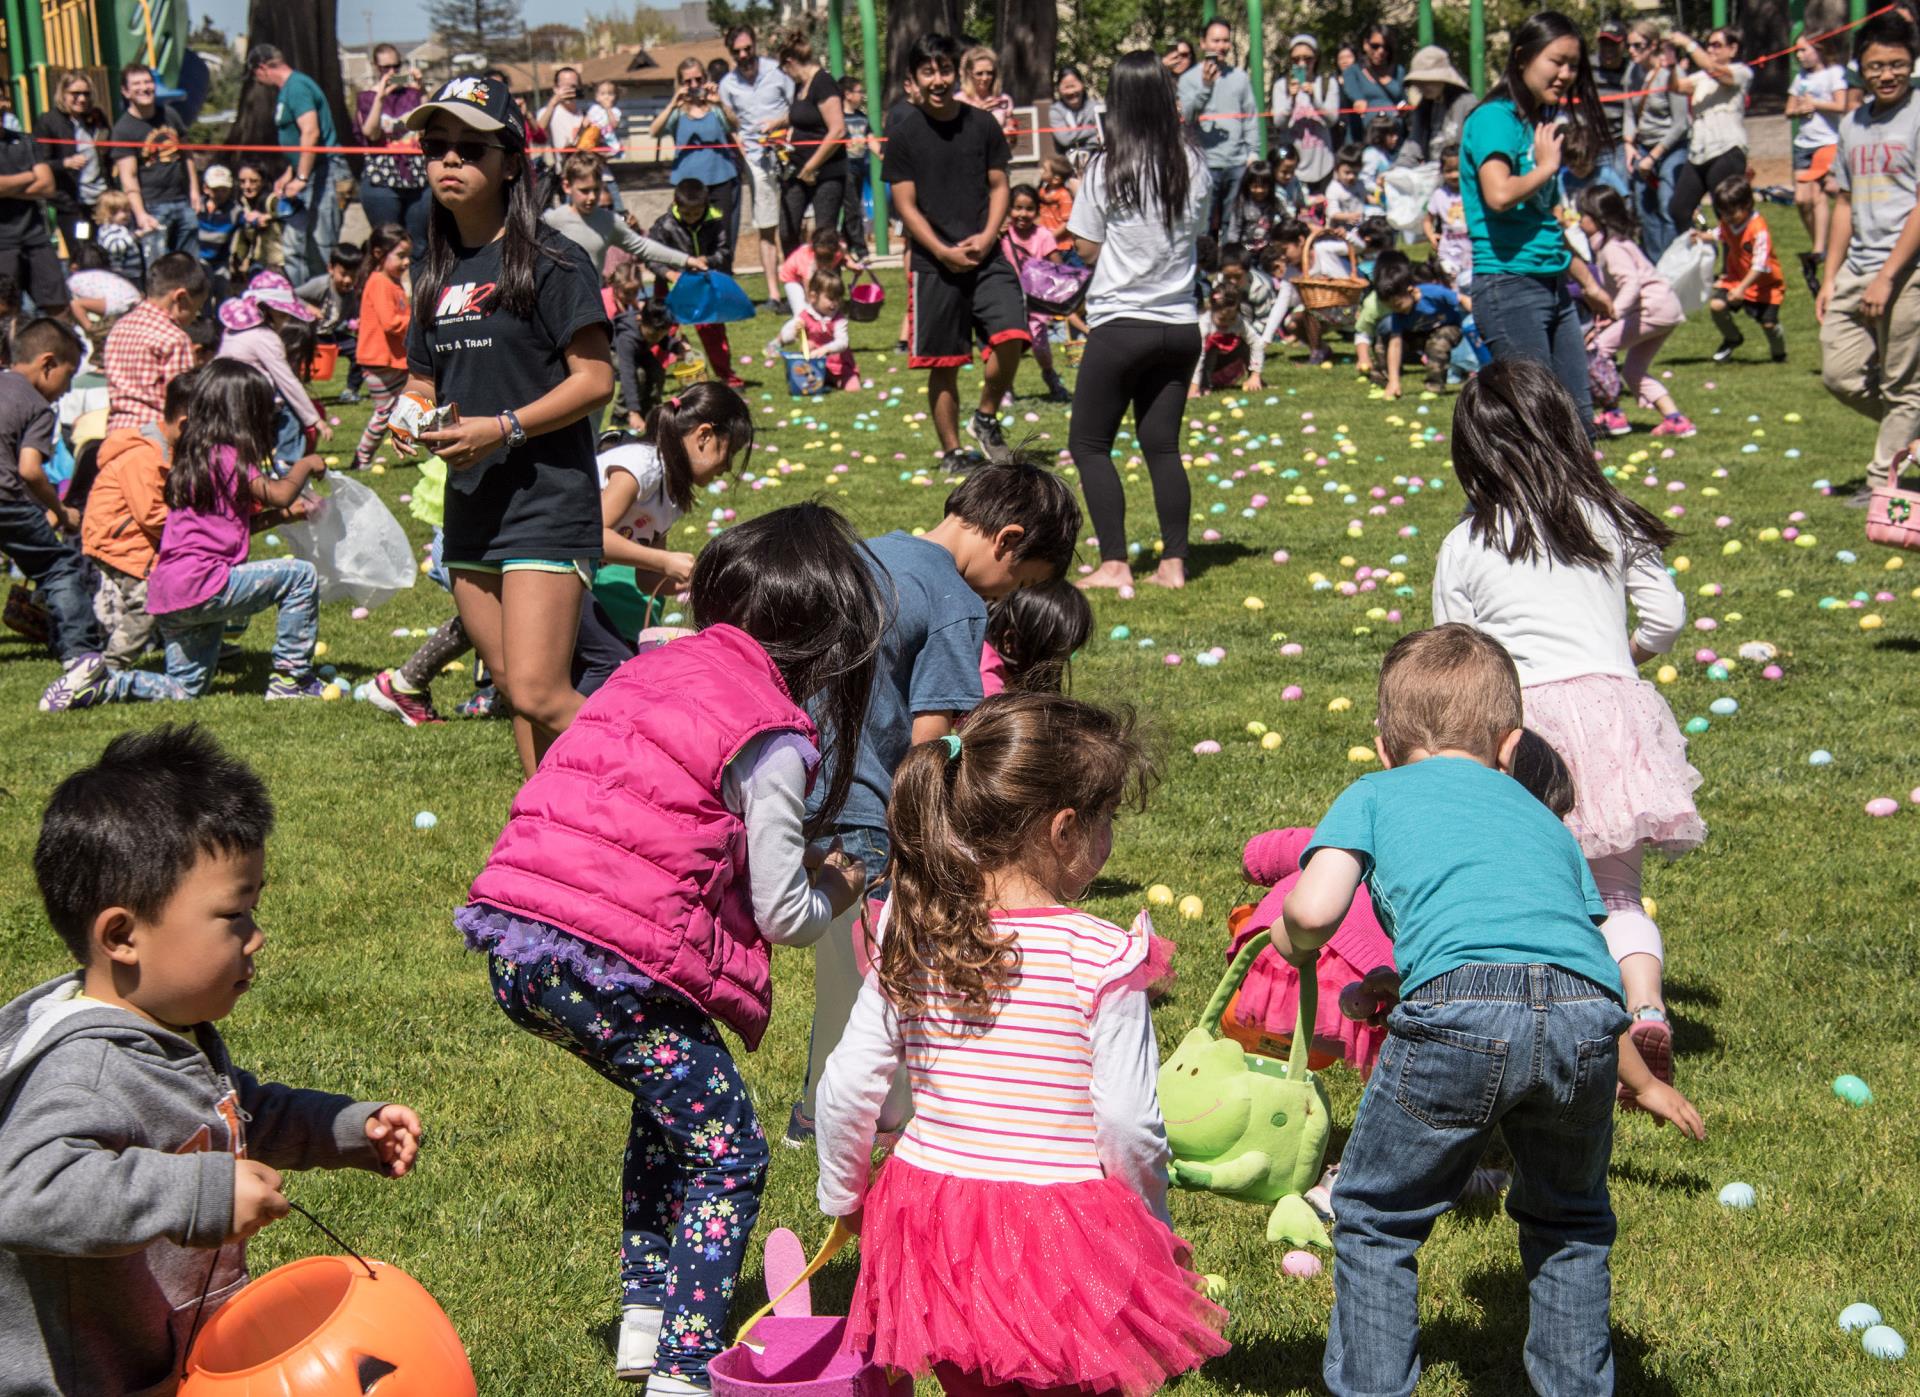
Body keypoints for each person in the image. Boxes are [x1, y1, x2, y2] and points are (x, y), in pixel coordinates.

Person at [456, 502, 878, 1387]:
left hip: (522, 938)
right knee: (729, 1149)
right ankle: (686, 1368)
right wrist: (841, 878)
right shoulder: (774, 737)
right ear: (826, 639)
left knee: (672, 1112)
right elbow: (786, 913)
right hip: (608, 962)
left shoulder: (655, 670)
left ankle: (646, 1322)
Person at [1281, 620, 1704, 1397]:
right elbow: (1561, 972)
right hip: (1585, 1019)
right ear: (1511, 744)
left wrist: (1288, 937)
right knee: (1571, 1219)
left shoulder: (1373, 791)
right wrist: (1640, 1081)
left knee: (1377, 1215)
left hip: (1459, 1019)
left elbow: (1313, 912)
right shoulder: (1548, 823)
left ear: (1383, 745)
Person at [816, 693, 1230, 1397]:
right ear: (1066, 828)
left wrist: (844, 1192)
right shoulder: (1101, 954)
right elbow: (1129, 1120)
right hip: (1057, 1227)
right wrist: (1147, 1225)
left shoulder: (912, 929)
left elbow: (849, 1082)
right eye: (1109, 820)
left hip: (930, 1215)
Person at [0, 725, 421, 1397]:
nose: (259, 935)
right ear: (122, 935)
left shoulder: (167, 1030)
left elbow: (233, 1111)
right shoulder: (86, 1071)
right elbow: (23, 1190)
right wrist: (199, 1193)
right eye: (234, 914)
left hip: (168, 1360)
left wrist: (344, 1128)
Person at [1432, 359, 1707, 1099]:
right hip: (1617, 713)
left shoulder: (1469, 542)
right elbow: (1668, 616)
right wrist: (1623, 658)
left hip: (1525, 729)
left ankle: (1561, 1019)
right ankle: (1646, 1003)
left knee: (1541, 888)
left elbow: (1454, 651)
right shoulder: (1607, 513)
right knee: (1618, 890)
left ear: (1473, 451)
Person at [790, 458, 1081, 1145]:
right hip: (869, 822)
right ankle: (881, 1123)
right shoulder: (956, 602)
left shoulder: (861, 556)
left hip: (798, 795)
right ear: (1007, 541)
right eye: (1022, 580)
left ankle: (816, 1112)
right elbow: (927, 748)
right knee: (886, 978)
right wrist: (933, 841)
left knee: (841, 973)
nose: (1009, 595)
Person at [403, 75, 614, 776]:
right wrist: (409, 419)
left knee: (536, 688)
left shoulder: (555, 261)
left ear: (512, 162)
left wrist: (503, 427)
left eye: (471, 148)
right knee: (520, 700)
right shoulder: (432, 267)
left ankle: (684, 783)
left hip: (545, 498)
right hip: (471, 506)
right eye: (438, 147)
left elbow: (595, 380)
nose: (450, 161)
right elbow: (423, 378)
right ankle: (547, 829)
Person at [1069, 50, 1210, 594]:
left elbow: (1085, 248)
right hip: (1179, 324)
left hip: (1120, 323)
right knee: (1163, 445)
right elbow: (1196, 231)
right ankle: (1174, 564)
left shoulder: (1106, 166)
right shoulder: (1193, 164)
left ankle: (1115, 563)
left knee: (1090, 444)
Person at [1459, 10, 1614, 438]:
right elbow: (1500, 194)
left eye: (1573, 65)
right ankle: (1516, 506)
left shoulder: (1533, 125)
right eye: (1556, 61)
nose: (1565, 74)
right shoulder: (1495, 119)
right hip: (1508, 287)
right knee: (1538, 426)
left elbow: (1544, 223)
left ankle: (1571, 506)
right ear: (1523, 57)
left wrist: (1589, 283)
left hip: (1552, 286)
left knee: (1578, 420)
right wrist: (1547, 168)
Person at [885, 32, 1032, 473]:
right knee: (944, 363)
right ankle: (952, 454)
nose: (937, 79)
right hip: (935, 264)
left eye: (944, 69)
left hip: (987, 255)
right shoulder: (905, 133)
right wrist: (941, 251)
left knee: (1013, 336)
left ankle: (984, 418)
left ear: (957, 72)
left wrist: (988, 237)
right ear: (912, 78)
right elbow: (905, 204)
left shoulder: (982, 124)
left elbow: (1000, 185)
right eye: (927, 70)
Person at [143, 360, 328, 699]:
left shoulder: (194, 456)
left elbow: (228, 528)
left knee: (183, 689)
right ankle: (291, 678)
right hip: (204, 583)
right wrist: (306, 463)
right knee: (300, 576)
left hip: (170, 592)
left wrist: (283, 517)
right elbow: (280, 493)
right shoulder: (226, 454)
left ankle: (103, 683)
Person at [1818, 12, 1920, 495]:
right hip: (1857, 266)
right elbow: (1842, 201)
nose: (1887, 74)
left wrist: (1888, 277)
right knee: (1840, 374)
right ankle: (1909, 438)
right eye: (1876, 65)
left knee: (1904, 387)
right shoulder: (1853, 122)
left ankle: (1883, 487)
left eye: (1897, 64)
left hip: (1908, 270)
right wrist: (1830, 275)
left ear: (1912, 63)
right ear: (1861, 67)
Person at [0, 320, 92, 671]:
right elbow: (29, 470)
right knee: (59, 567)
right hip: (4, 499)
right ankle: (79, 656)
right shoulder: (37, 405)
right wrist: (61, 511)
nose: (66, 391)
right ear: (48, 363)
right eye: (68, 377)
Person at [1578, 186, 1692, 438]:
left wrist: (1615, 312)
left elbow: (1631, 283)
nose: (1579, 220)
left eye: (1582, 215)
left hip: (1652, 309)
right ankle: (1675, 419)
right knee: (1633, 370)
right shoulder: (1617, 242)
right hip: (1664, 308)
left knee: (1598, 349)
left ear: (1597, 219)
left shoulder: (1612, 248)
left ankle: (1613, 415)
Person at [247, 45, 342, 288]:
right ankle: (299, 304)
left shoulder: (297, 86)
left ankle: (326, 307)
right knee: (294, 246)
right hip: (306, 174)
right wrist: (290, 173)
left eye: (255, 74)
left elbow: (310, 132)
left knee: (320, 246)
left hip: (323, 174)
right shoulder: (287, 90)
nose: (257, 80)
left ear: (263, 68)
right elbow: (298, 136)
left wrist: (300, 176)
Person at [217, 269, 328, 468]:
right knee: (291, 409)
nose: (285, 320)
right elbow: (287, 381)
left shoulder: (233, 330)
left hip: (222, 396)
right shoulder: (266, 337)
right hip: (248, 398)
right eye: (283, 314)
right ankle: (287, 462)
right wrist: (314, 420)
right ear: (270, 310)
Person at [717, 27, 796, 308]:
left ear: (755, 46)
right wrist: (743, 152)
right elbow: (732, 126)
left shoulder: (778, 72)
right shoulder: (727, 85)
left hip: (788, 154)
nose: (743, 55)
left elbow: (797, 108)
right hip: (756, 160)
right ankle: (774, 295)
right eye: (737, 51)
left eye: (747, 49)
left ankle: (798, 290)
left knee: (795, 224)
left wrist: (781, 130)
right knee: (767, 227)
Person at [544, 151, 702, 279]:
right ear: (567, 186)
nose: (592, 197)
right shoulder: (551, 220)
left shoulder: (608, 221)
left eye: (596, 189)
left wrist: (686, 259)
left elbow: (643, 246)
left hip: (592, 306)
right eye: (584, 191)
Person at [646, 176, 742, 387]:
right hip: (670, 287)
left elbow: (725, 252)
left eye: (696, 213)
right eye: (686, 213)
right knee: (662, 330)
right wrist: (669, 273)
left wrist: (707, 260)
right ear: (676, 204)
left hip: (702, 287)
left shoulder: (715, 221)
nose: (691, 218)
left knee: (713, 332)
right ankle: (652, 378)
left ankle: (727, 377)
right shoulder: (665, 225)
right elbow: (651, 256)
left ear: (705, 206)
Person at [647, 57, 741, 257]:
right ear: (680, 84)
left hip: (721, 177)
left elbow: (735, 125)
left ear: (705, 79)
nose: (694, 85)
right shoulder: (677, 112)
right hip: (688, 186)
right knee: (688, 240)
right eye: (688, 81)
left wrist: (720, 103)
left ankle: (723, 279)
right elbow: (654, 131)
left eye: (698, 79)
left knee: (723, 236)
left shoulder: (715, 107)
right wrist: (673, 103)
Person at [102, 251, 205, 433]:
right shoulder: (175, 339)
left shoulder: (120, 327)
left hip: (116, 433)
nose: (194, 317)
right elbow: (182, 405)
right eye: (195, 309)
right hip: (155, 437)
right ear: (180, 298)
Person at [1668, 26, 1753, 233]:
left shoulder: (1741, 72)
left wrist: (1688, 44)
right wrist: (1670, 65)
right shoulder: (1701, 77)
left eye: (1717, 45)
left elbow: (1716, 71)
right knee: (1679, 209)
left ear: (1733, 49)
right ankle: (1700, 252)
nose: (1711, 50)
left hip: (1726, 150)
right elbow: (1676, 87)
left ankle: (1733, 261)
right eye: (1709, 45)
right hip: (1699, 152)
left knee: (1726, 211)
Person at [110, 64, 197, 266]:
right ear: (126, 91)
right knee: (160, 269)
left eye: (148, 82)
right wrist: (140, 214)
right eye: (137, 84)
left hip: (183, 201)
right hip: (153, 206)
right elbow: (128, 177)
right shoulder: (124, 129)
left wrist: (194, 189)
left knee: (190, 265)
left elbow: (187, 153)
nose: (144, 88)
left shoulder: (170, 115)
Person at [1177, 19, 1258, 237]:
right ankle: (1205, 267)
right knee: (1202, 224)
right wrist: (1205, 87)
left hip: (1237, 162)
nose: (1220, 46)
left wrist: (1253, 153)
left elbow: (1250, 117)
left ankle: (1230, 268)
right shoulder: (1188, 79)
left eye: (1225, 41)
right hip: (1204, 163)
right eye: (1215, 40)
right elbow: (1186, 116)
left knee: (1233, 223)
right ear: (1203, 44)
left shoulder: (1240, 78)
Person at [1787, 33, 1852, 294]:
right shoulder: (1800, 78)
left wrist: (1815, 104)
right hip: (1803, 144)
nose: (1800, 56)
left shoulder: (1834, 73)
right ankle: (1822, 245)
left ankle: (1821, 251)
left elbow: (1842, 105)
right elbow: (1788, 109)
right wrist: (1799, 110)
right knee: (1802, 199)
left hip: (1828, 142)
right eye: (1797, 52)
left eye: (1804, 50)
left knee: (1826, 192)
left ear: (1819, 49)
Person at [777, 32, 851, 253]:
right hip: (798, 169)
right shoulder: (801, 87)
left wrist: (812, 166)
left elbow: (838, 130)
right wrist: (775, 123)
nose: (785, 75)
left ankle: (827, 283)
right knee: (787, 230)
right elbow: (802, 115)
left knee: (824, 238)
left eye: (784, 69)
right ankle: (796, 283)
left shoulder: (824, 84)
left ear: (789, 62)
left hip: (826, 172)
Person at [1701, 175, 1786, 363]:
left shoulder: (1758, 230)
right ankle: (1733, 338)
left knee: (1769, 325)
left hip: (1765, 285)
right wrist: (1703, 236)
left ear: (1748, 205)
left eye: (1731, 213)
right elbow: (1721, 233)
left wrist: (1742, 289)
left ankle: (1779, 355)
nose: (1727, 218)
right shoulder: (1728, 223)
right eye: (1723, 213)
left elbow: (1760, 265)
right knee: (1717, 306)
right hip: (1736, 279)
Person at [1000, 183, 1072, 402]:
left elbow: (1056, 263)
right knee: (1008, 344)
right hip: (1009, 298)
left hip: (1036, 300)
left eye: (1029, 208)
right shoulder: (1003, 235)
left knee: (1039, 343)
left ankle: (1050, 376)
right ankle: (1006, 386)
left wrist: (1062, 284)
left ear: (1037, 210)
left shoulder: (1043, 236)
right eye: (1018, 208)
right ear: (1009, 209)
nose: (1023, 214)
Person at [356, 43, 431, 252]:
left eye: (397, 67)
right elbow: (370, 133)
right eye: (385, 68)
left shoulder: (413, 94)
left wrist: (422, 90)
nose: (392, 72)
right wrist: (380, 98)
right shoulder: (367, 98)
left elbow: (429, 125)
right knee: (387, 244)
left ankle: (418, 285)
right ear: (375, 67)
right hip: (382, 178)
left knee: (420, 246)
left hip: (416, 176)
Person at [1625, 23, 1690, 261]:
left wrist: (1654, 156)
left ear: (1653, 46)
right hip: (1642, 147)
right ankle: (1656, 265)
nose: (1631, 50)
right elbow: (1630, 112)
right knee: (1645, 211)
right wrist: (1629, 144)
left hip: (1672, 147)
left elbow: (1681, 123)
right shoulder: (1632, 73)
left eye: (1638, 45)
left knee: (1667, 206)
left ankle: (1674, 263)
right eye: (1628, 45)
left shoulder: (1670, 75)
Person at [33, 69, 110, 264]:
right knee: (83, 255)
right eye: (75, 94)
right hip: (71, 204)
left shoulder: (97, 117)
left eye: (86, 93)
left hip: (101, 200)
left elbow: (108, 153)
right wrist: (65, 163)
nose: (81, 99)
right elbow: (39, 161)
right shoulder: (49, 121)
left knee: (106, 253)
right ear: (63, 94)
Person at [351, 224, 411, 470]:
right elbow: (391, 323)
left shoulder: (392, 282)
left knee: (408, 404)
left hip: (392, 359)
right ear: (378, 253)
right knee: (385, 411)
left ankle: (426, 447)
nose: (406, 262)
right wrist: (418, 320)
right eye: (400, 256)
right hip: (379, 361)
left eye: (408, 256)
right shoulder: (379, 282)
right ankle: (362, 457)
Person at [1374, 255, 1466, 399]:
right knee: (1382, 341)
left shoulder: (1432, 292)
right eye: (1391, 307)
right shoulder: (1399, 314)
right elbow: (1395, 344)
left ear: (1412, 291)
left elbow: (1463, 299)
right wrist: (1394, 380)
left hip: (1449, 327)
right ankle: (1385, 383)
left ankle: (1434, 386)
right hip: (1419, 334)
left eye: (1398, 305)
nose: (1396, 310)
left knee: (1438, 343)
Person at [980, 579, 1092, 694]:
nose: (1052, 669)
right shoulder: (985, 673)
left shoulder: (1001, 654)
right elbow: (988, 710)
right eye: (1049, 659)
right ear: (1010, 641)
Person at [768, 267, 859, 390]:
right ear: (813, 296)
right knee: (808, 347)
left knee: (853, 388)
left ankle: (832, 380)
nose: (835, 303)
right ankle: (823, 379)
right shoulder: (805, 315)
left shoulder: (838, 319)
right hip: (813, 364)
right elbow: (787, 336)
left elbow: (843, 342)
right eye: (831, 298)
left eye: (838, 298)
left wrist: (825, 349)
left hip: (839, 365)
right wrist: (795, 330)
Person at [1274, 34, 1341, 191]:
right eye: (1296, 59)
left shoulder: (1327, 84)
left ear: (1316, 58)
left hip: (1323, 165)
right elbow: (1279, 123)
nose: (1302, 64)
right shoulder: (1281, 86)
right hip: (1292, 168)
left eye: (1307, 58)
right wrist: (1291, 99)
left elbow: (1332, 120)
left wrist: (1314, 98)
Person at [1395, 45, 1474, 168]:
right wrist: (1394, 171)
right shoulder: (1423, 108)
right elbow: (1412, 149)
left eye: (1428, 81)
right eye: (1418, 83)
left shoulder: (1467, 104)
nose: (1422, 87)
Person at [1341, 24, 1406, 145]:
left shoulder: (1399, 71)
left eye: (1386, 47)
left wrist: (1403, 108)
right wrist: (1358, 101)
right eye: (1375, 46)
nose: (1381, 51)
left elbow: (1403, 100)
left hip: (1393, 142)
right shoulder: (1352, 72)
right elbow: (1352, 92)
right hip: (1363, 141)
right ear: (1366, 45)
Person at [1425, 148, 1473, 286]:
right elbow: (1428, 220)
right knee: (1449, 284)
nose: (1454, 175)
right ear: (1442, 171)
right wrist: (1431, 235)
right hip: (1448, 250)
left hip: (1470, 249)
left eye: (1458, 170)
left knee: (1470, 285)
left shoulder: (1472, 192)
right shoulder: (1439, 195)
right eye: (1449, 171)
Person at [228, 162, 283, 275]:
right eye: (242, 181)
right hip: (257, 261)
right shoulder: (241, 204)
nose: (247, 186)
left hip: (279, 263)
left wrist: (269, 217)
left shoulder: (272, 200)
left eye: (253, 181)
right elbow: (243, 236)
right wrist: (239, 258)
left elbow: (286, 213)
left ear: (263, 181)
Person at [1590, 18, 1632, 166]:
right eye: (1604, 44)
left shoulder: (1632, 70)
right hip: (1590, 142)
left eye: (1613, 45)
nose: (1608, 50)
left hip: (1619, 143)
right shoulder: (1587, 67)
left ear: (1624, 46)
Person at [958, 44, 1018, 138]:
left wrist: (1011, 131)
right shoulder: (959, 101)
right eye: (979, 73)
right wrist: (979, 114)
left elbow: (1012, 139)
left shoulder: (1004, 99)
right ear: (969, 73)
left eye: (989, 73)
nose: (985, 78)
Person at [1052, 65, 1106, 168]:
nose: (1071, 92)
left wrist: (1074, 133)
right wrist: (1093, 129)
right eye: (1066, 87)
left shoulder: (1095, 107)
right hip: (1066, 162)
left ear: (1082, 84)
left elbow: (1103, 135)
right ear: (1059, 89)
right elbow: (1065, 139)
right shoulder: (1055, 111)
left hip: (1096, 156)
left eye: (1073, 86)